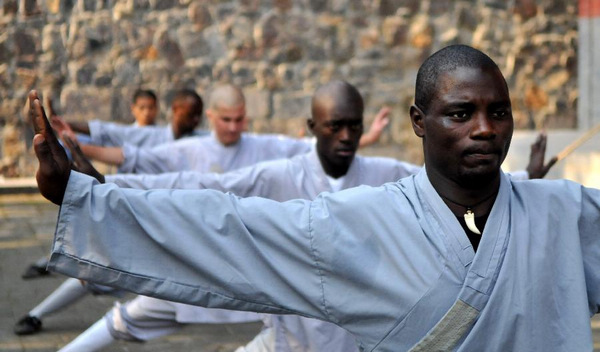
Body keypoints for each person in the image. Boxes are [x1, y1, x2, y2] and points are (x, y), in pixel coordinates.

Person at [32, 45, 596, 351]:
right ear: (420, 123)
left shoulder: (564, 214)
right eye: (460, 113)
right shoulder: (356, 221)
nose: (484, 129)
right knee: (130, 322)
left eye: (498, 112)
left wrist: (531, 179)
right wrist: (89, 196)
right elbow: (224, 221)